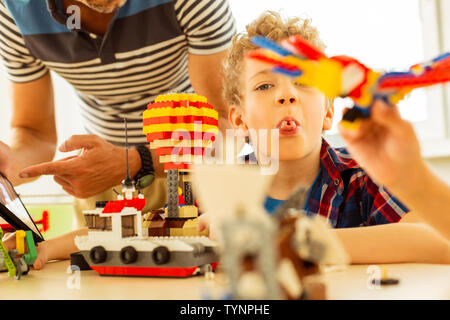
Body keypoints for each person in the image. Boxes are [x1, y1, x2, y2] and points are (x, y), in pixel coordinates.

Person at [199, 11, 449, 264]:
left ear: (328, 113)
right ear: (240, 120)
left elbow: (441, 242)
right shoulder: (218, 187)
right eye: (264, 86)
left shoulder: (364, 175)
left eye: (303, 82)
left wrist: (289, 241)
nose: (286, 95)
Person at [0, 0, 236, 228]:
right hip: (99, 186)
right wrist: (11, 165)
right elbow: (34, 132)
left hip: (193, 178)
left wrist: (137, 161)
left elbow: (228, 124)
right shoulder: (13, 11)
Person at [338, 100, 450, 240]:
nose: (299, 96)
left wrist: (412, 178)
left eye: (303, 85)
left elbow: (438, 243)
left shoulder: (363, 174)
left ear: (328, 114)